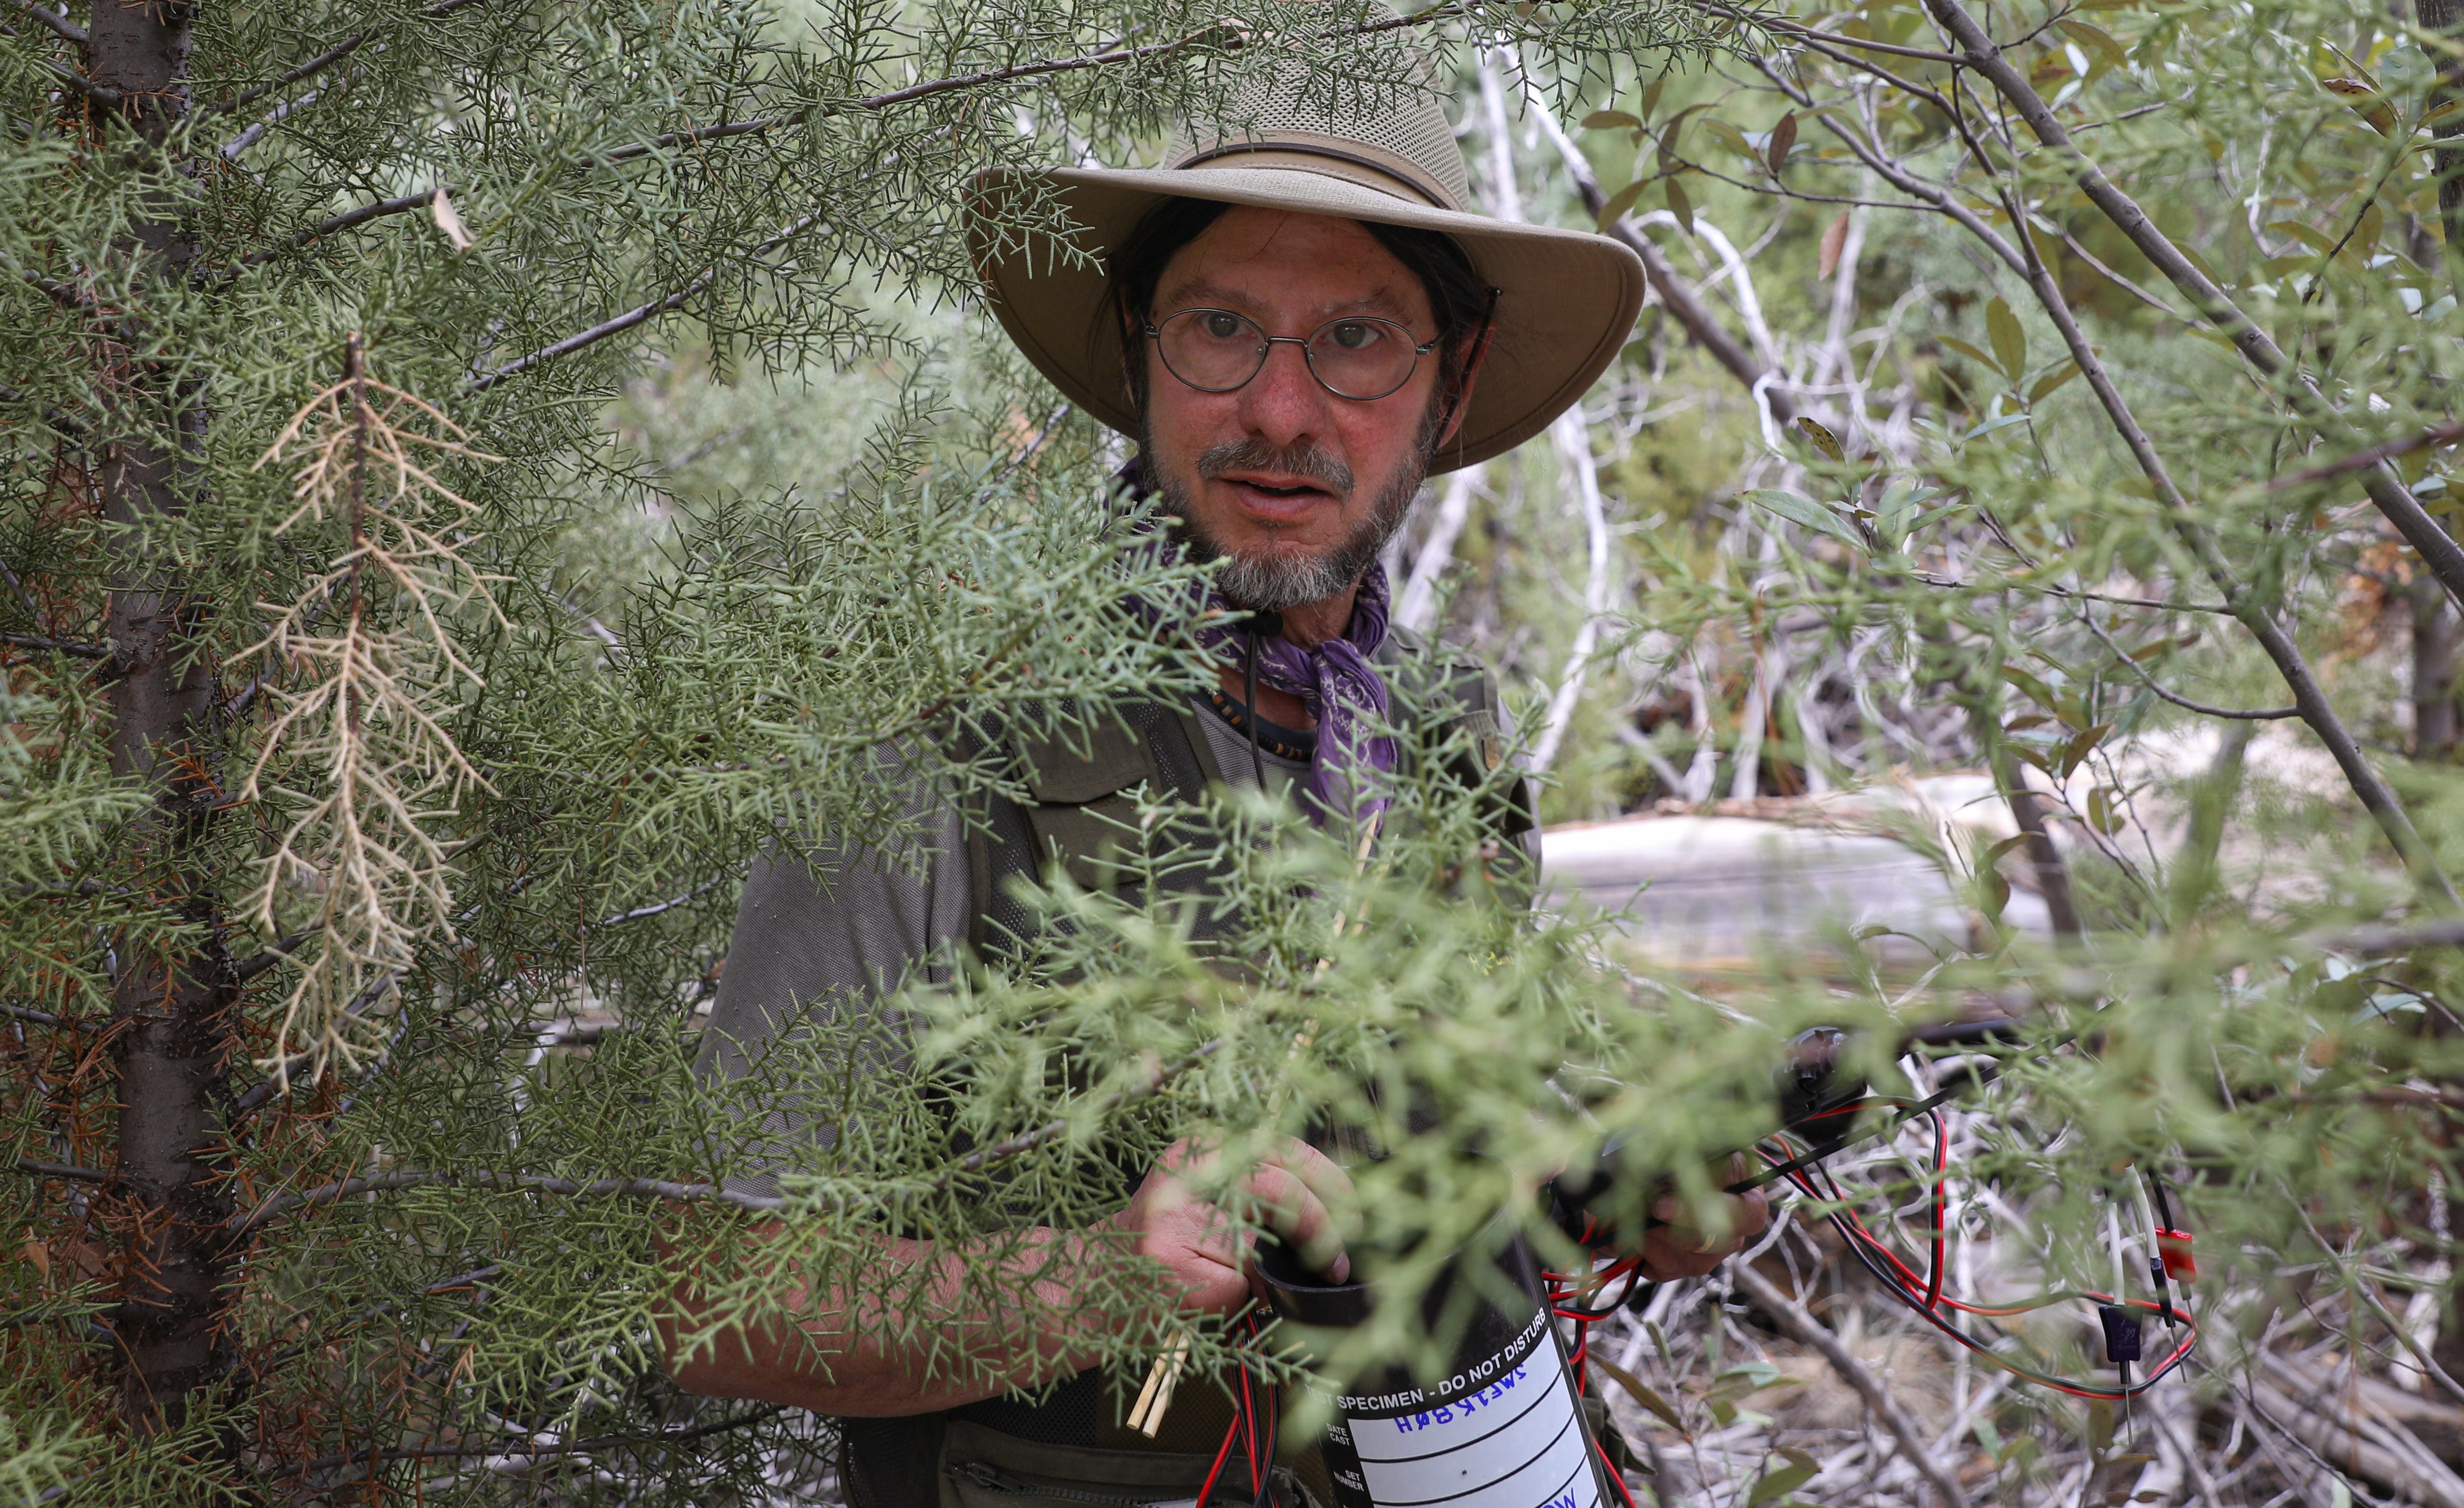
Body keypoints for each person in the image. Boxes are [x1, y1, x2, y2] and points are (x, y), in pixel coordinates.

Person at [665, 76, 1768, 1506]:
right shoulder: (940, 736)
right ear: (1138, 346)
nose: (1278, 408)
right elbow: (713, 1300)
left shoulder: (1442, 744)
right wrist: (1084, 1279)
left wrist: (1605, 1199)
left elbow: (1420, 1205)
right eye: (1220, 328)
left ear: (1460, 372)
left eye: (1359, 338)